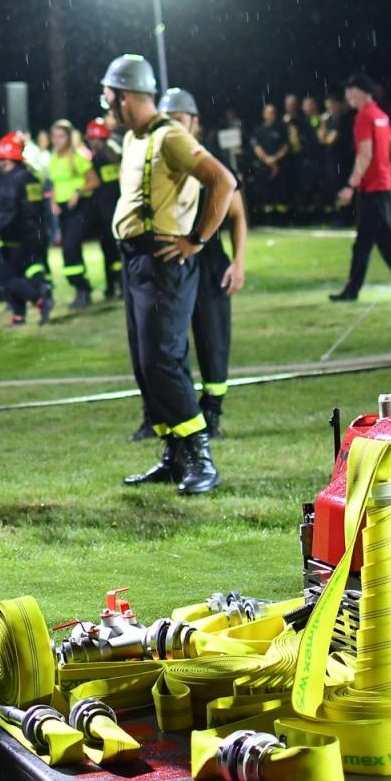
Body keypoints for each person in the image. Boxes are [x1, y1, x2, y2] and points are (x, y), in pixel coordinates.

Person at [103, 54, 236, 494]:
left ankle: (201, 455)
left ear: (124, 97)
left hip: (164, 263)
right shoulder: (133, 138)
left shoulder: (170, 136)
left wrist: (196, 240)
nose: (105, 106)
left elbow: (223, 182)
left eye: (108, 98)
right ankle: (175, 454)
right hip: (137, 260)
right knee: (147, 364)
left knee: (164, 358)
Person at [160, 88, 248, 438]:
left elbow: (239, 214)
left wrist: (238, 261)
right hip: (176, 262)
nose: (174, 128)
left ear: (195, 122)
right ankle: (168, 413)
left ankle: (212, 412)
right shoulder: (163, 161)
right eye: (168, 121)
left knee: (212, 338)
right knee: (169, 341)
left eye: (179, 120)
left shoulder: (206, 160)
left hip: (208, 260)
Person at [330, 73, 391, 303]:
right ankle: (355, 290)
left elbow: (365, 153)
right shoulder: (380, 115)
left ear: (359, 91)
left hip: (372, 188)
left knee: (382, 243)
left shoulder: (363, 117)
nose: (346, 97)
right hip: (381, 185)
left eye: (348, 91)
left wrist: (350, 186)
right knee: (369, 243)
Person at [0, 131, 55, 326]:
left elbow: (7, 211)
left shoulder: (11, 180)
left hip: (14, 236)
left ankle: (40, 300)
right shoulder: (31, 177)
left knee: (7, 277)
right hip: (33, 233)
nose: (0, 162)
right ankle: (19, 316)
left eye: (2, 158)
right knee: (25, 272)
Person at [45, 119, 97, 308]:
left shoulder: (78, 158)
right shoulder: (54, 159)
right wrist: (53, 202)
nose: (57, 140)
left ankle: (82, 288)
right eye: (55, 136)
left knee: (70, 247)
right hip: (63, 209)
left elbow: (94, 182)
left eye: (61, 136)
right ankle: (81, 289)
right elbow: (55, 185)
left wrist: (78, 192)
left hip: (79, 208)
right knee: (70, 251)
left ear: (69, 137)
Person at [85, 118, 123, 301]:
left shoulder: (97, 160)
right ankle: (121, 285)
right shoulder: (117, 156)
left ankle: (112, 287)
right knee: (118, 250)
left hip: (104, 211)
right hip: (118, 209)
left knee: (108, 251)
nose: (91, 142)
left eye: (92, 139)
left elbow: (95, 185)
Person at [248, 103, 285, 222]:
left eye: (273, 112)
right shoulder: (259, 130)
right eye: (268, 112)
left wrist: (275, 159)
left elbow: (285, 146)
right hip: (264, 167)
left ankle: (281, 217)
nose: (271, 115)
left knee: (279, 191)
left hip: (280, 166)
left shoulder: (281, 129)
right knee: (264, 190)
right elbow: (256, 147)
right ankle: (265, 217)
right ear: (264, 114)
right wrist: (267, 160)